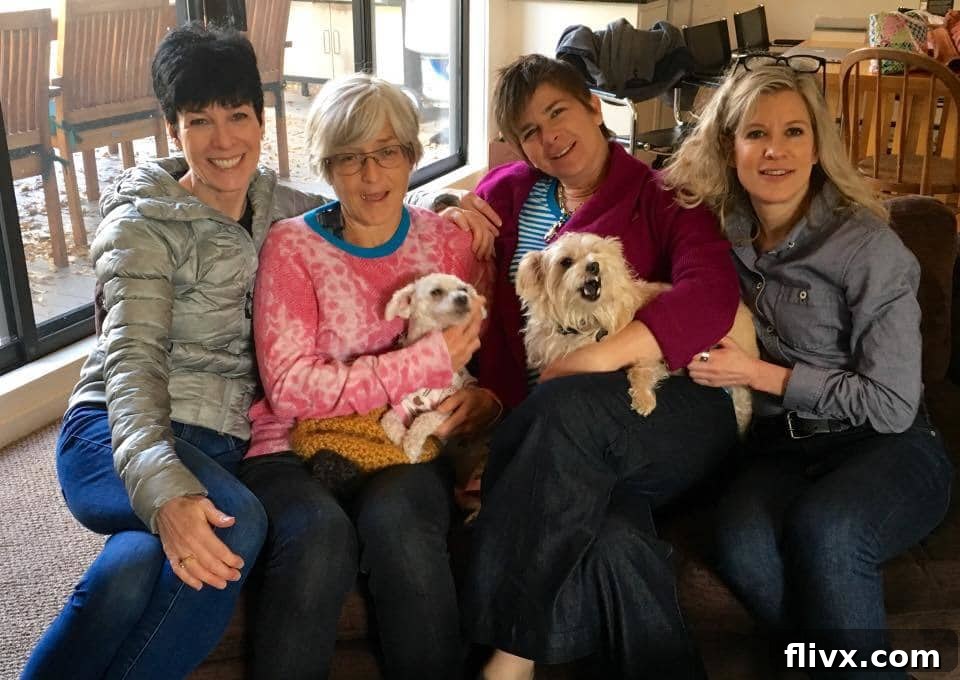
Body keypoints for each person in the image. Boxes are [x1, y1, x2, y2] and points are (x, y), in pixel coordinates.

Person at [21, 23, 333, 680]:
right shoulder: (142, 227)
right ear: (174, 129)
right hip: (111, 432)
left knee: (133, 568)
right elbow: (132, 373)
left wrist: (452, 208)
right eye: (200, 121)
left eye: (238, 116)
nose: (224, 141)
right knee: (234, 520)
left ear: (261, 117)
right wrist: (166, 496)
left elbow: (356, 219)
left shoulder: (275, 204)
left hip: (214, 441)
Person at [453, 54, 743, 680]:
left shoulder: (661, 195)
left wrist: (602, 355)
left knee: (563, 403)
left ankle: (510, 659)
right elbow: (448, 220)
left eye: (557, 111)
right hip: (562, 444)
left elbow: (712, 293)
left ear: (593, 107)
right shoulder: (508, 194)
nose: (548, 136)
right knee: (611, 538)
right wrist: (456, 208)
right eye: (529, 130)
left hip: (669, 409)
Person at [662, 62, 953, 677]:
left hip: (887, 446)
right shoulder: (717, 236)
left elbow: (894, 404)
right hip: (780, 452)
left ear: (818, 145)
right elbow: (626, 199)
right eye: (755, 133)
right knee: (741, 547)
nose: (775, 151)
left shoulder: (870, 248)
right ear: (729, 146)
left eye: (794, 132)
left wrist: (760, 374)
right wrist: (462, 205)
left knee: (829, 531)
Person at [238, 72, 491, 680]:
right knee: (318, 540)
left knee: (402, 529)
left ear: (411, 156)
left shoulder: (448, 244)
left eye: (386, 153)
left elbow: (479, 356)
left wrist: (486, 400)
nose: (371, 175)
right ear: (327, 167)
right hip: (291, 449)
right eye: (350, 159)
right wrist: (423, 364)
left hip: (401, 448)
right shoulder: (291, 247)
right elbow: (292, 387)